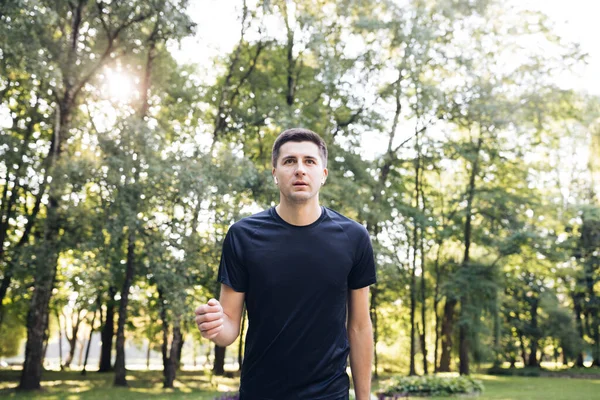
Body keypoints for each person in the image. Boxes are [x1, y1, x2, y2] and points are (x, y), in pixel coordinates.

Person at [195, 128, 376, 400]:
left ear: (323, 175)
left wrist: (363, 399)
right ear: (275, 174)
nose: (300, 169)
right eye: (289, 161)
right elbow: (230, 325)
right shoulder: (243, 235)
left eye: (310, 161)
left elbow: (360, 327)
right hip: (260, 393)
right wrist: (215, 326)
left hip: (329, 394)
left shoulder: (354, 237)